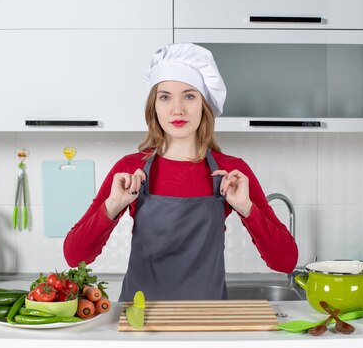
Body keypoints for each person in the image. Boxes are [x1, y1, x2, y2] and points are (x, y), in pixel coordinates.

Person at [63, 43, 298, 301]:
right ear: (154, 105)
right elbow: (75, 256)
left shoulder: (232, 173)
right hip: (141, 322)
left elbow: (285, 261)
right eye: (165, 97)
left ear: (203, 104)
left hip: (206, 322)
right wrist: (113, 205)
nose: (177, 109)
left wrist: (246, 208)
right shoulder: (130, 169)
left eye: (189, 96)